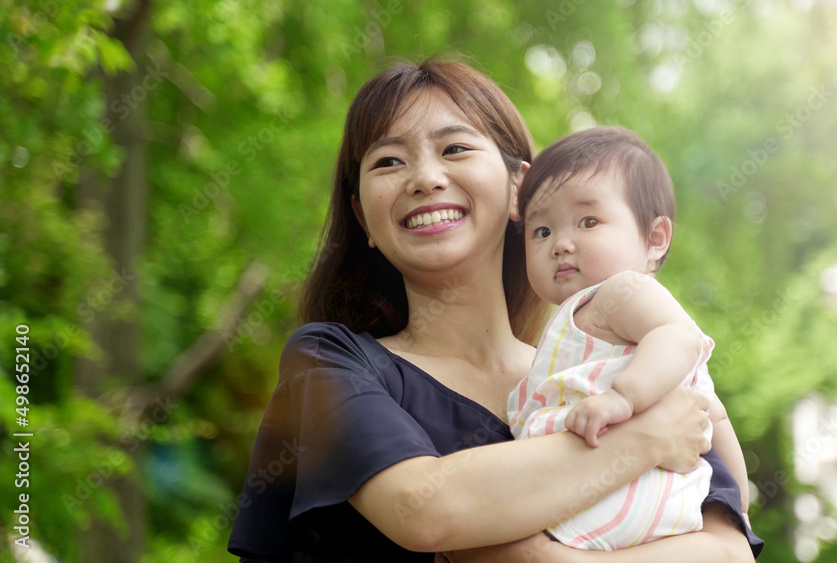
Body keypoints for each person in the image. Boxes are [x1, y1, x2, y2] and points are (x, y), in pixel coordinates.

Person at [227, 58, 763, 562]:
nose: (424, 178)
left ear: (518, 190)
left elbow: (727, 548)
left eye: (455, 149)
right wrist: (645, 439)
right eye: (388, 161)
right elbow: (424, 510)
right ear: (363, 219)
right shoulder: (333, 363)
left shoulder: (609, 360)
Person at [507, 127, 750, 551]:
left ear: (654, 239)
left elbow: (680, 337)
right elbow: (715, 414)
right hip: (600, 513)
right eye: (541, 231)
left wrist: (624, 398)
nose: (561, 244)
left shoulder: (623, 291)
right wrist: (740, 509)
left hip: (630, 506)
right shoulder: (569, 326)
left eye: (588, 221)